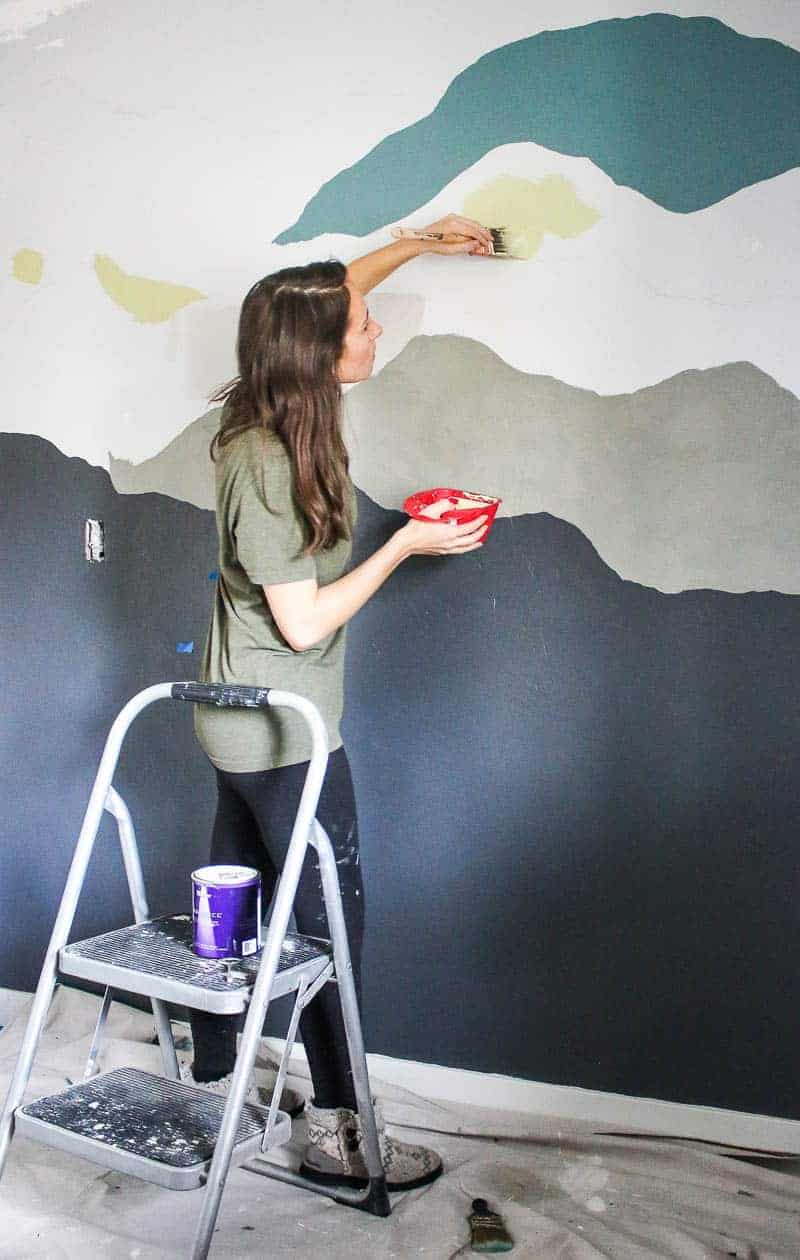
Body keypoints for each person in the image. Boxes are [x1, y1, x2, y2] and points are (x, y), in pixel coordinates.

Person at [188, 215, 492, 1191]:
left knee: (230, 906)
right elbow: (305, 623)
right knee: (324, 934)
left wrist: (413, 240)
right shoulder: (270, 460)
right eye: (364, 324)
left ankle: (210, 1082)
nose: (376, 333)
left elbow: (318, 298)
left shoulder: (267, 402)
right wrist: (402, 544)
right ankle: (333, 1130)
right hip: (283, 730)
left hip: (237, 724)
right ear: (318, 353)